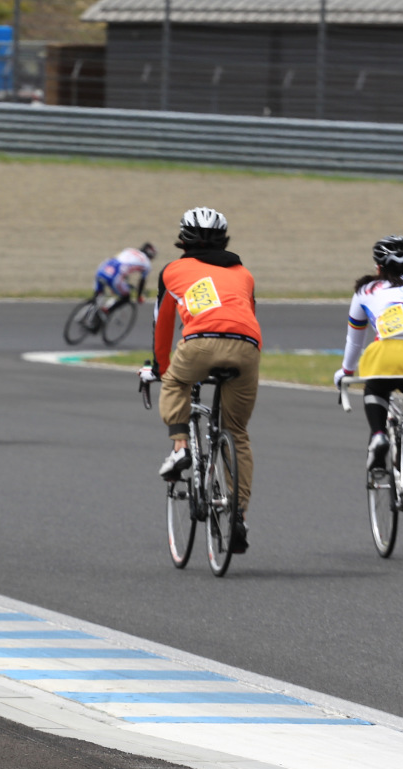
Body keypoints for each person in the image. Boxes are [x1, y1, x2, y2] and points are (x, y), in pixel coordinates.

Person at [139, 207, 260, 553]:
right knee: (236, 432)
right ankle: (238, 516)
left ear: (183, 238)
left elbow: (162, 326)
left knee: (175, 382)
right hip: (247, 346)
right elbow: (247, 316)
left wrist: (160, 368)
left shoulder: (173, 270)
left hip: (199, 343)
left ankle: (180, 449)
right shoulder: (244, 273)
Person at [334, 235, 403, 471]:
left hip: (386, 355)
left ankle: (379, 435)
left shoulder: (366, 289)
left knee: (375, 387)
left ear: (378, 266)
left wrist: (346, 371)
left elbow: (355, 340)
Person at [93, 242, 157, 319]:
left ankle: (89, 310)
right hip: (115, 275)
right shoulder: (147, 264)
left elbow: (120, 262)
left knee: (98, 295)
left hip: (104, 266)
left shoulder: (129, 250)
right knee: (126, 297)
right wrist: (138, 296)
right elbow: (141, 282)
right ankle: (106, 311)